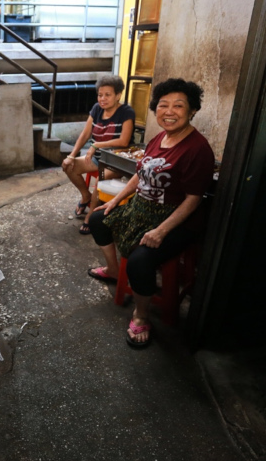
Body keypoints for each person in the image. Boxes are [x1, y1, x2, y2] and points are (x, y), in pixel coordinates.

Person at [86, 78, 215, 349]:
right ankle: (111, 269)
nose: (169, 111)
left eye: (178, 106)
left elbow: (193, 200)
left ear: (192, 110)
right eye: (163, 105)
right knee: (97, 218)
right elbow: (139, 175)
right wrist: (114, 201)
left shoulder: (197, 149)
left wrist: (161, 231)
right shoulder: (159, 138)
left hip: (175, 219)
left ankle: (141, 315)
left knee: (139, 261)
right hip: (141, 208)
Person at [61, 75, 135, 234]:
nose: (103, 99)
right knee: (68, 166)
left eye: (108, 95)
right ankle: (86, 196)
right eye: (100, 95)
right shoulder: (96, 108)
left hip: (117, 161)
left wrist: (96, 145)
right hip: (97, 158)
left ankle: (91, 217)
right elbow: (85, 133)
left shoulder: (126, 112)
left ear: (118, 95)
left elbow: (123, 141)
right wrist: (72, 155)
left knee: (101, 177)